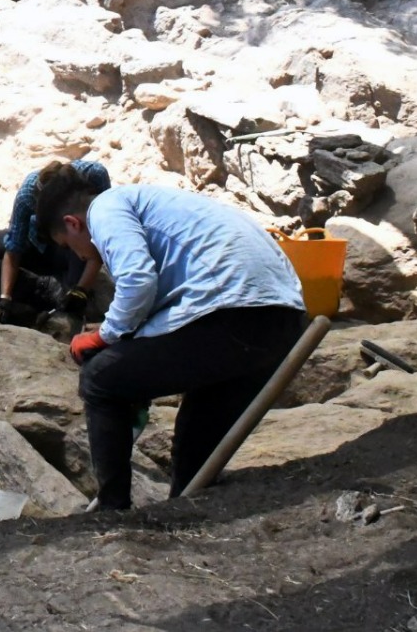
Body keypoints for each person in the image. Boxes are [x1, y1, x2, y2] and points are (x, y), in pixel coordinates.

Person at [37, 169, 306, 510]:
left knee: (100, 380)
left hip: (233, 311)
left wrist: (105, 336)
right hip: (281, 320)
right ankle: (186, 511)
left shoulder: (105, 210)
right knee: (198, 432)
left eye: (67, 246)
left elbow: (137, 280)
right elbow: (162, 306)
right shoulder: (154, 203)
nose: (78, 256)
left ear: (72, 223)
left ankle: (111, 509)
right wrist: (130, 354)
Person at [0, 159, 106, 330]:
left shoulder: (94, 176)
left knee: (72, 302)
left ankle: (65, 291)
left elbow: (102, 236)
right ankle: (43, 288)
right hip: (36, 242)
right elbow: (14, 248)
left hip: (74, 244)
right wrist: (5, 299)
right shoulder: (29, 193)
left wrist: (81, 289)